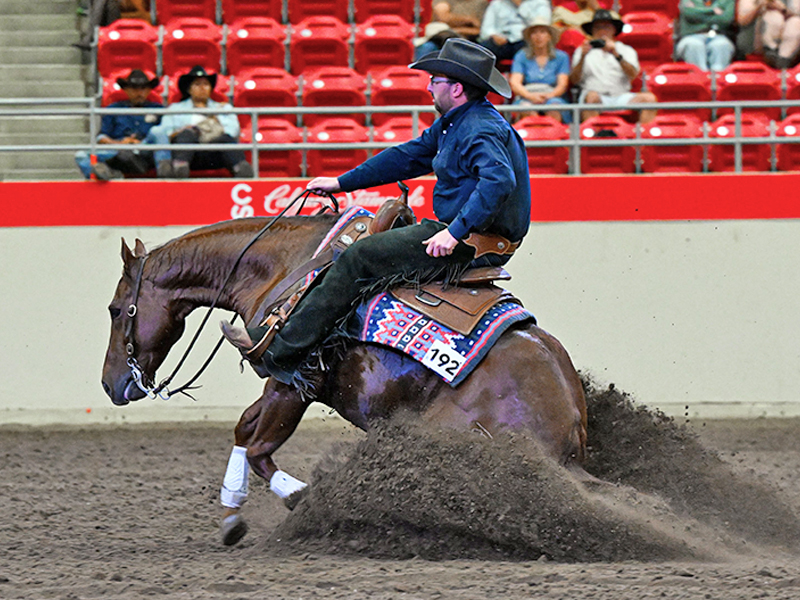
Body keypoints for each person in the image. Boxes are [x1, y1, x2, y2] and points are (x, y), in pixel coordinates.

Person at [220, 39, 531, 386]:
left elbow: (498, 180)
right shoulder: (457, 123)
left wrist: (454, 231)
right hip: (465, 232)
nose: (428, 86)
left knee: (360, 256)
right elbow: (407, 156)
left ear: (456, 88)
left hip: (471, 241)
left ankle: (281, 355)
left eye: (435, 80)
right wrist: (342, 182)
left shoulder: (478, 127)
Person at [151, 65, 253, 179]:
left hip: (214, 151)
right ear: (189, 89)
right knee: (187, 134)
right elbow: (166, 131)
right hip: (188, 153)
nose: (202, 88)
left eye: (205, 84)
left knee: (226, 139)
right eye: (197, 84)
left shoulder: (223, 108)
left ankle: (241, 169)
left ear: (210, 88)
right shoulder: (175, 109)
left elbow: (233, 131)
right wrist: (185, 130)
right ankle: (180, 168)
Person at [75, 69, 168, 180]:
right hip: (119, 149)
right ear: (126, 90)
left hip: (146, 150)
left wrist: (141, 142)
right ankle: (108, 174)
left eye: (143, 89)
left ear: (149, 90)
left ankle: (164, 173)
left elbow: (165, 135)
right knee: (81, 155)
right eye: (134, 89)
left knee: (158, 133)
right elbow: (101, 137)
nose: (139, 93)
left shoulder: (159, 110)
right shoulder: (113, 109)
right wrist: (120, 143)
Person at [569, 9, 657, 123]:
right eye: (598, 27)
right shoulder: (582, 50)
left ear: (614, 29)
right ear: (592, 31)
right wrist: (582, 57)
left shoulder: (625, 50)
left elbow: (633, 74)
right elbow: (574, 80)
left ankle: (644, 138)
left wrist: (616, 54)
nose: (602, 30)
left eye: (606, 27)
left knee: (649, 99)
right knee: (591, 97)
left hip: (621, 95)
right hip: (596, 95)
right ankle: (593, 138)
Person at [509, 18, 572, 123]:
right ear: (530, 37)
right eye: (534, 33)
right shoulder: (521, 55)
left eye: (542, 32)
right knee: (527, 109)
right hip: (527, 94)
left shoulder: (561, 57)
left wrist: (548, 96)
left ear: (549, 36)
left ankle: (554, 137)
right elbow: (515, 83)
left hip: (552, 95)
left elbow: (562, 85)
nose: (538, 36)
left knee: (554, 109)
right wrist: (530, 96)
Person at [478, 0, 552, 61]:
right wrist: (494, 35)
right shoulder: (497, 3)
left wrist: (520, 6)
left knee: (533, 47)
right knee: (483, 49)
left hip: (525, 39)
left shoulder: (540, 3)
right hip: (502, 40)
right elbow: (486, 28)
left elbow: (542, 25)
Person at [736, 0, 800, 69]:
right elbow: (742, 20)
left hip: (789, 45)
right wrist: (760, 6)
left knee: (796, 23)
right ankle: (771, 50)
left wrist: (783, 9)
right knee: (773, 16)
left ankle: (782, 60)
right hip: (755, 40)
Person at [675, 0, 736, 72]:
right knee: (693, 45)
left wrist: (699, 13)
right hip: (691, 36)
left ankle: (718, 80)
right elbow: (689, 13)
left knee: (722, 45)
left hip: (718, 35)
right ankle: (699, 80)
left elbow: (725, 19)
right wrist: (713, 10)